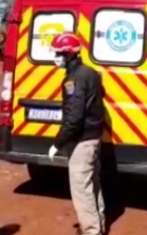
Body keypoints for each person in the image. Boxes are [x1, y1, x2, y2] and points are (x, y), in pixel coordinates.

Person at [47, 32, 106, 235]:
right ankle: (100, 224)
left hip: (83, 139)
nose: (56, 57)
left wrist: (58, 142)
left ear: (70, 55)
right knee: (92, 184)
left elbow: (74, 118)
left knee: (81, 188)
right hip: (94, 136)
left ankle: (91, 231)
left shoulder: (74, 80)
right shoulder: (91, 73)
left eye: (59, 53)